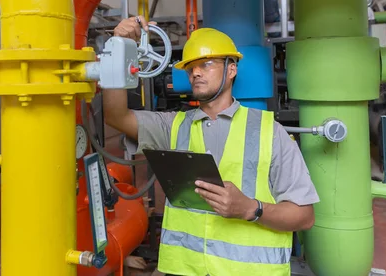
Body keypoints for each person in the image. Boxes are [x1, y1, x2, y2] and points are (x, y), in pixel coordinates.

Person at [103, 16, 319, 276]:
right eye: (191, 67)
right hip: (183, 271)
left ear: (231, 70)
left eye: (206, 64)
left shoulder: (270, 132)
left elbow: (304, 216)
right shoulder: (173, 126)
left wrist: (251, 208)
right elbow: (115, 115)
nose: (195, 72)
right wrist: (118, 47)